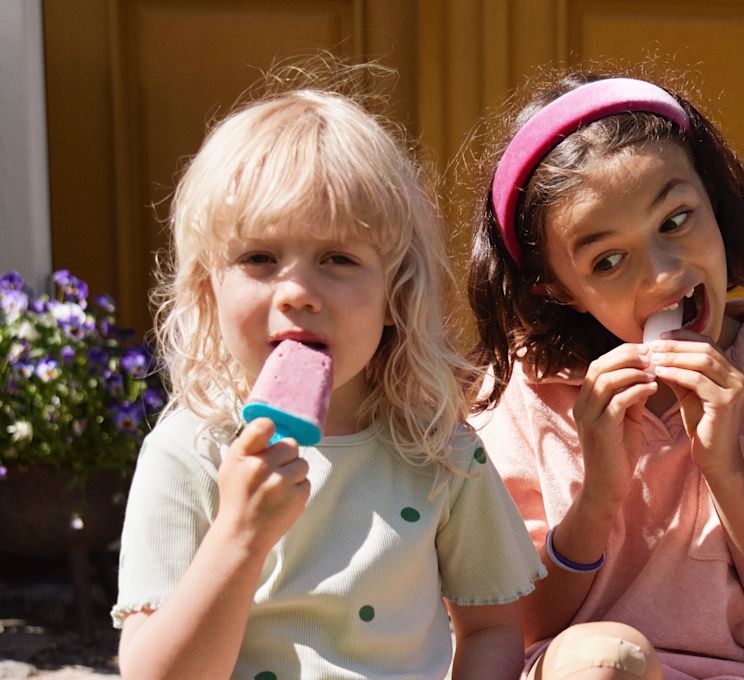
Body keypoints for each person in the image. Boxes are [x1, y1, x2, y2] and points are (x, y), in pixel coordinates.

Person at [112, 64, 545, 680]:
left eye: (337, 258)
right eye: (259, 257)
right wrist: (240, 535)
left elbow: (492, 626)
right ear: (209, 289)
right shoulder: (190, 452)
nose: (297, 292)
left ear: (396, 294)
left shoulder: (439, 452)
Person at [464, 72, 744, 679]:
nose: (660, 275)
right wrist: (599, 492)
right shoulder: (522, 397)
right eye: (606, 261)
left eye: (676, 220)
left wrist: (725, 468)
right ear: (560, 288)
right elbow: (516, 628)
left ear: (714, 199)